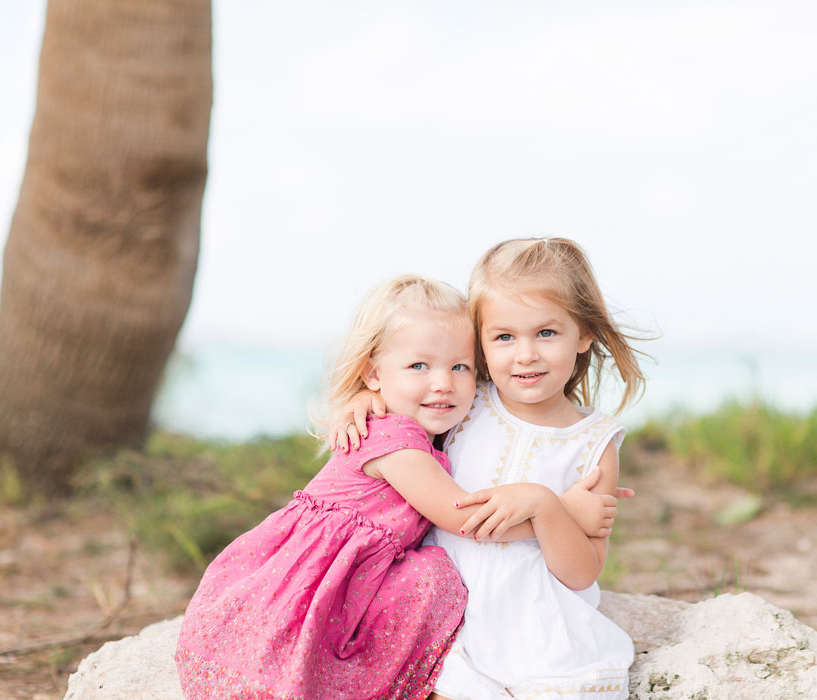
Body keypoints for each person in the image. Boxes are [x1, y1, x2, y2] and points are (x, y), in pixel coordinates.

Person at [174, 274, 619, 700]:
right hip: (319, 581)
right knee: (431, 579)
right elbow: (461, 517)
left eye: (460, 366)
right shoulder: (395, 442)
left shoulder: (449, 414)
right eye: (418, 366)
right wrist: (557, 511)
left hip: (356, 576)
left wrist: (376, 393)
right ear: (374, 373)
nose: (443, 383)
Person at [337, 239, 646, 700]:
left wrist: (546, 507)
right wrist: (369, 397)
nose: (524, 355)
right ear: (479, 342)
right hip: (447, 613)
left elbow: (583, 572)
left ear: (584, 335)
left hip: (535, 625)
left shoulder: (592, 441)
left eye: (546, 333)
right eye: (503, 337)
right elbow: (406, 397)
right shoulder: (467, 400)